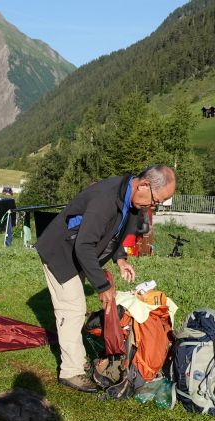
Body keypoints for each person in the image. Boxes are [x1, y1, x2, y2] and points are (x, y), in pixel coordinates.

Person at [34, 164, 176, 392]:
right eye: (156, 201)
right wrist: (101, 284)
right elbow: (84, 245)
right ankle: (72, 372)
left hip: (78, 252)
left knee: (74, 308)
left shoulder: (130, 197)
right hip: (60, 252)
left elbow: (116, 230)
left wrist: (120, 258)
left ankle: (73, 346)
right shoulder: (105, 199)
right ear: (144, 185)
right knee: (72, 309)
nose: (153, 207)